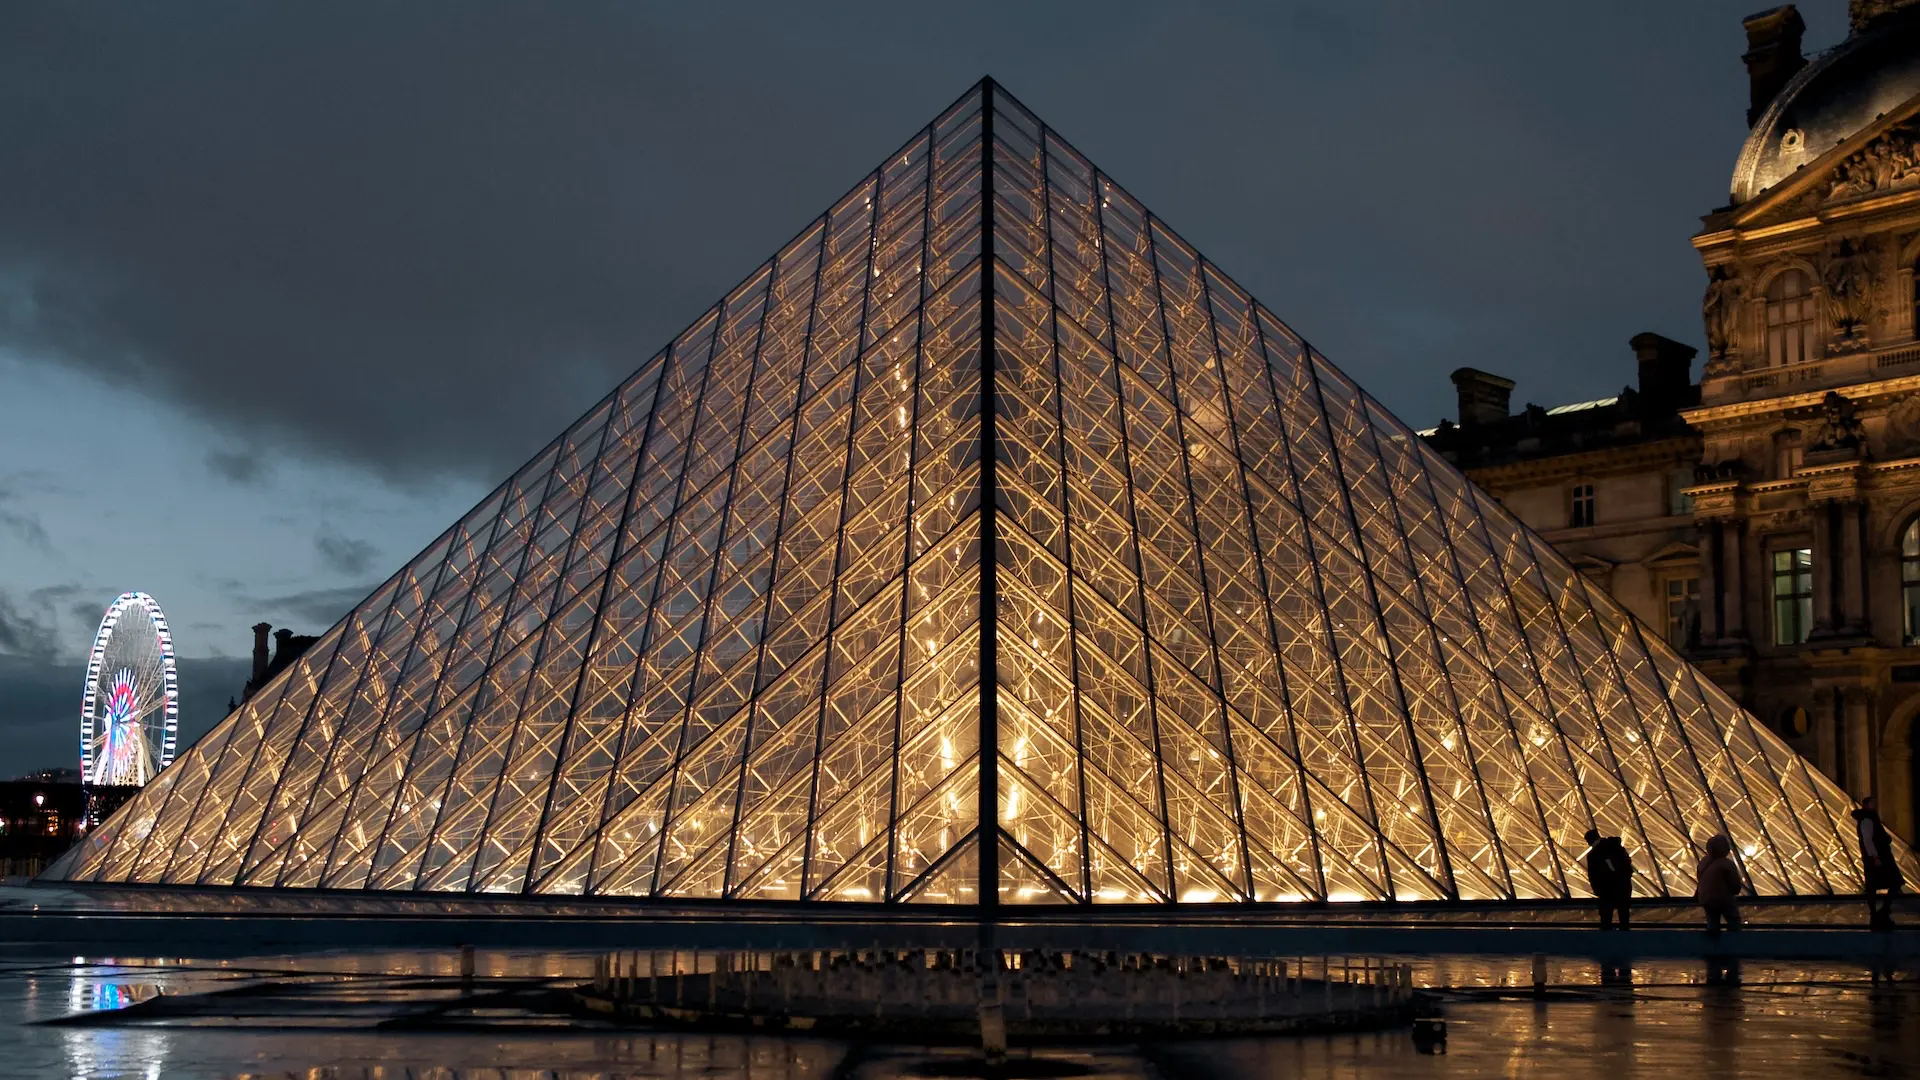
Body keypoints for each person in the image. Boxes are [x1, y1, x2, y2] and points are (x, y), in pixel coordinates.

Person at [1853, 795, 1903, 932]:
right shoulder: (1867, 820)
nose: (1875, 805)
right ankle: (1878, 913)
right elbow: (1867, 840)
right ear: (1866, 805)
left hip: (1880, 856)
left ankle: (1880, 912)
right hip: (1877, 857)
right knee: (1890, 883)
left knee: (1880, 885)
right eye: (1873, 803)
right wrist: (1874, 857)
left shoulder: (1870, 818)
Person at [1695, 834, 1746, 939]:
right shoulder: (1726, 864)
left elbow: (1700, 878)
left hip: (1705, 898)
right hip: (1722, 898)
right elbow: (1734, 884)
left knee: (1712, 921)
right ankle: (1735, 942)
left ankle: (1712, 944)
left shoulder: (1704, 862)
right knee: (1733, 919)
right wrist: (1735, 891)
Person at [1584, 828, 1634, 930]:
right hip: (1623, 885)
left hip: (1606, 889)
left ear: (1589, 841)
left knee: (1606, 917)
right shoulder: (1616, 846)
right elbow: (1628, 863)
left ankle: (1606, 939)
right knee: (1624, 914)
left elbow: (1593, 875)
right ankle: (1626, 936)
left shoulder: (1593, 854)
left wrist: (1597, 890)